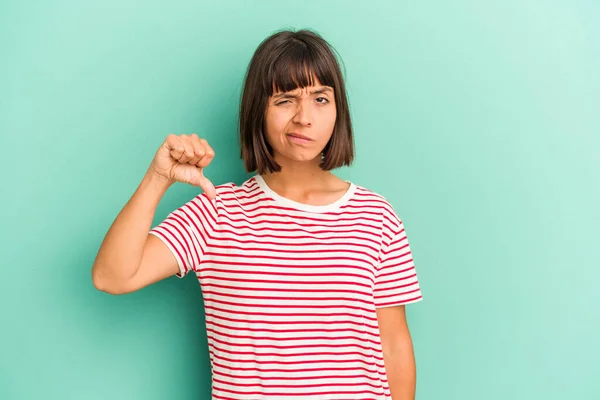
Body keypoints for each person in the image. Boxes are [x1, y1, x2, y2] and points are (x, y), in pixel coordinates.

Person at [92, 28, 423, 400]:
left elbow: (393, 345)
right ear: (258, 110)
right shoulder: (216, 212)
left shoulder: (375, 216)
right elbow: (112, 276)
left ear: (338, 109)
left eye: (320, 98)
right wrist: (157, 179)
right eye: (285, 100)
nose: (305, 117)